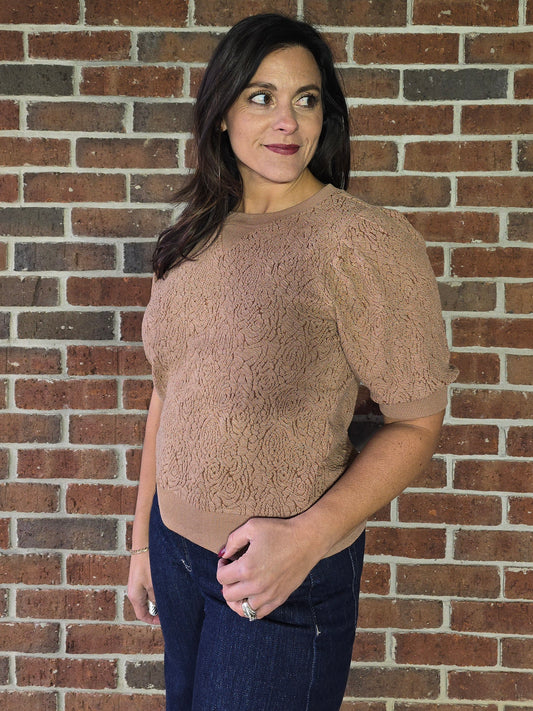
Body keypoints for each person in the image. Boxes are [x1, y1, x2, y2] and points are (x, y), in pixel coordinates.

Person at [127, 13, 458, 711]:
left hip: (277, 572)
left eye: (305, 99)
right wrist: (141, 544)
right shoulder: (190, 238)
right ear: (221, 112)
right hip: (175, 553)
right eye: (261, 96)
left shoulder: (360, 242)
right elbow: (168, 393)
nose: (287, 121)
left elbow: (416, 422)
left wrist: (306, 539)